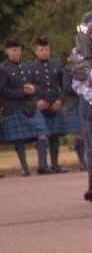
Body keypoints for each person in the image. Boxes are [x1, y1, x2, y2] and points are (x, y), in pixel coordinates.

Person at [23, 37, 68, 173]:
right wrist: (36, 101)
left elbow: (64, 85)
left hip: (55, 104)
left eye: (46, 49)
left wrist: (60, 100)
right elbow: (26, 87)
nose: (44, 52)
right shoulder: (29, 67)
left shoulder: (56, 64)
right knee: (42, 135)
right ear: (36, 51)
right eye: (41, 50)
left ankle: (55, 165)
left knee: (55, 135)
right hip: (39, 107)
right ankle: (42, 166)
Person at [1, 40, 44, 176]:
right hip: (15, 107)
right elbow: (2, 91)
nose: (16, 52)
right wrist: (22, 92)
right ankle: (25, 168)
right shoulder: (2, 69)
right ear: (7, 52)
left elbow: (38, 84)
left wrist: (34, 89)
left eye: (18, 50)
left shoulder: (27, 66)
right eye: (13, 50)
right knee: (19, 139)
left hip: (30, 106)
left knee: (42, 134)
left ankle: (43, 166)